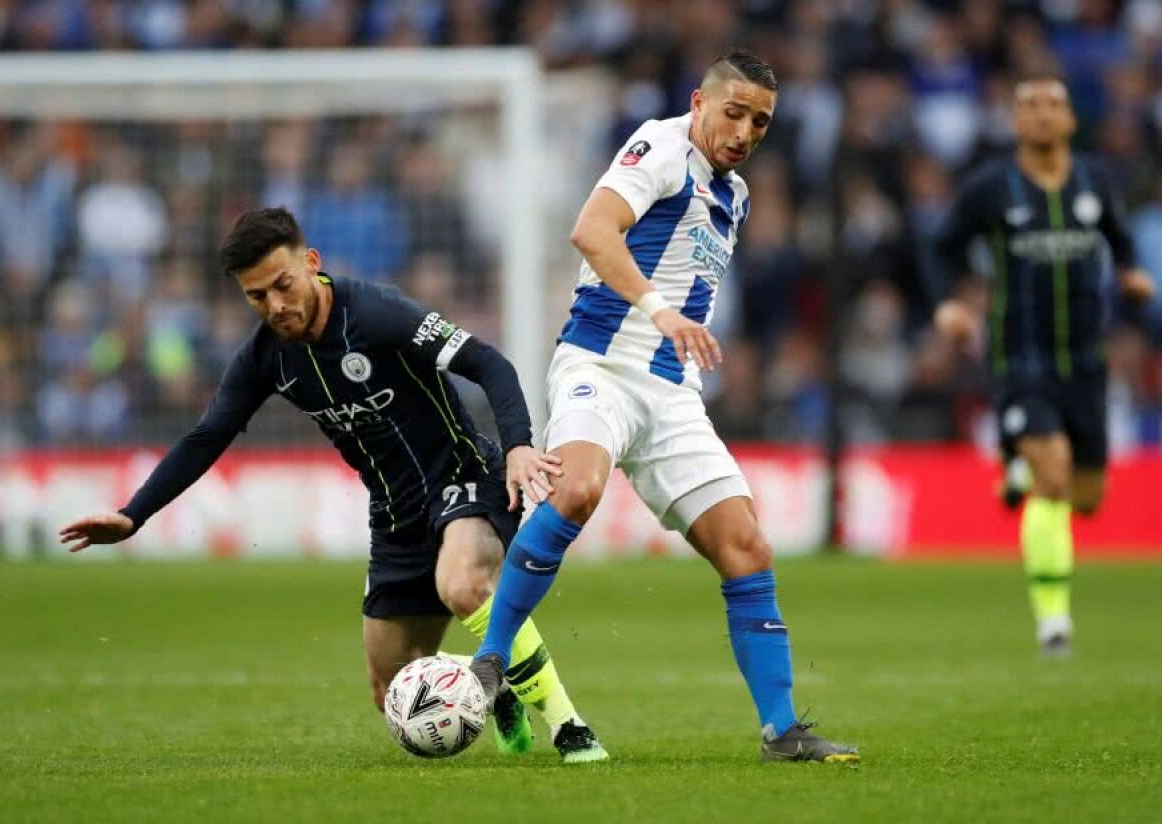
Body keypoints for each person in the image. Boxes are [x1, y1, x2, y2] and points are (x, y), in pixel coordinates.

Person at [58, 207, 607, 763]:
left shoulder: (377, 312)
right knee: (391, 694)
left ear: (311, 264)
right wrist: (135, 514)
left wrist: (517, 444)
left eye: (282, 285)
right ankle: (498, 683)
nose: (275, 306)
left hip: (464, 476)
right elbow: (207, 436)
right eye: (256, 296)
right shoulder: (264, 358)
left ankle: (569, 728)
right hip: (394, 515)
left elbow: (489, 364)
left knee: (462, 583)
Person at [469, 52, 859, 763]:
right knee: (578, 487)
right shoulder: (660, 144)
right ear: (700, 101)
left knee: (746, 546)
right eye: (734, 113)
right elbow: (592, 230)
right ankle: (492, 663)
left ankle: (781, 730)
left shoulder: (733, 195)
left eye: (761, 122)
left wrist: (681, 334)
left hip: (670, 391)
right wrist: (659, 310)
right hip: (600, 363)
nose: (744, 131)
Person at [932, 73, 1156, 656]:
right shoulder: (992, 187)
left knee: (1085, 498)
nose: (1041, 114)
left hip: (1086, 363)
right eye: (1028, 104)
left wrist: (1131, 273)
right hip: (1019, 360)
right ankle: (1053, 621)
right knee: (1054, 478)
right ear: (1015, 120)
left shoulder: (1094, 181)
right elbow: (941, 246)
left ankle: (1017, 467)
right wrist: (951, 302)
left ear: (1070, 120)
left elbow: (1121, 239)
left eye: (1053, 103)